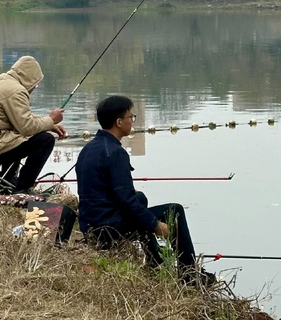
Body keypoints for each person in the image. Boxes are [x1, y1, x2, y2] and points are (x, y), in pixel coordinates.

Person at [76, 95, 215, 286]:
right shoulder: (116, 153)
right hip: (108, 228)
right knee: (175, 210)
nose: (132, 120)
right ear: (118, 122)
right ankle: (189, 274)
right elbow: (125, 200)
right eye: (130, 117)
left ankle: (154, 258)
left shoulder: (90, 148)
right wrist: (155, 224)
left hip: (90, 226)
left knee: (140, 198)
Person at [0, 56, 66, 193]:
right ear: (30, 79)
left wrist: (49, 124)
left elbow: (20, 119)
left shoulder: (2, 81)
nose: (34, 88)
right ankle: (23, 188)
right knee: (45, 140)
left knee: (15, 136)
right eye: (36, 84)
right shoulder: (16, 91)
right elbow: (27, 127)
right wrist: (51, 120)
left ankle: (8, 180)